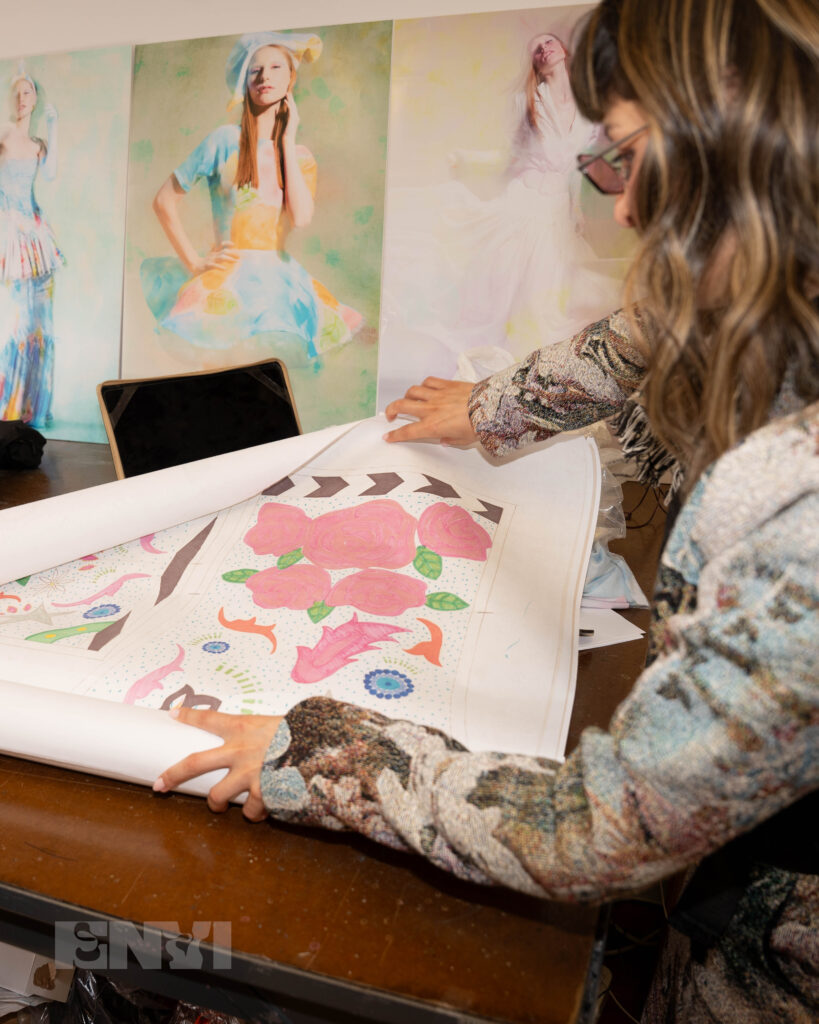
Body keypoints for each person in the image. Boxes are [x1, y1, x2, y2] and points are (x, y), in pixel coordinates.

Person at [155, 1, 818, 1020]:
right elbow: (646, 331)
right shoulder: (774, 295)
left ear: (739, 149)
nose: (624, 213)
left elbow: (598, 825)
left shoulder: (797, 514)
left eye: (630, 158)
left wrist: (317, 752)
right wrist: (492, 406)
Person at [378, 25, 626, 396]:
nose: (544, 49)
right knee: (505, 291)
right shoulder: (527, 101)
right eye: (537, 48)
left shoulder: (586, 108)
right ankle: (509, 365)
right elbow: (511, 157)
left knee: (548, 299)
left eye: (549, 42)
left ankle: (541, 368)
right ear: (535, 65)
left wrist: (576, 211)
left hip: (554, 210)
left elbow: (577, 166)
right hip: (522, 203)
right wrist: (468, 159)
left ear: (562, 49)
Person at [143, 32, 363, 369]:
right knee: (222, 374)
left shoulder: (300, 156)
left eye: (276, 67)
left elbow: (301, 218)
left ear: (291, 78)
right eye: (254, 70)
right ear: (243, 81)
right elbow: (163, 201)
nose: (264, 77)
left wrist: (286, 140)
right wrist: (194, 263)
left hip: (280, 286)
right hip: (229, 283)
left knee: (270, 376)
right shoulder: (224, 141)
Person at [0, 66, 62, 426]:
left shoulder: (37, 144)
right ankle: (10, 405)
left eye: (27, 93)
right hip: (9, 232)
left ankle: (33, 407)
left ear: (36, 99)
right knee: (15, 321)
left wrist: (54, 128)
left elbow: (51, 173)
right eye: (17, 93)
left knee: (41, 321)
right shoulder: (3, 135)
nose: (21, 99)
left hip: (37, 237)